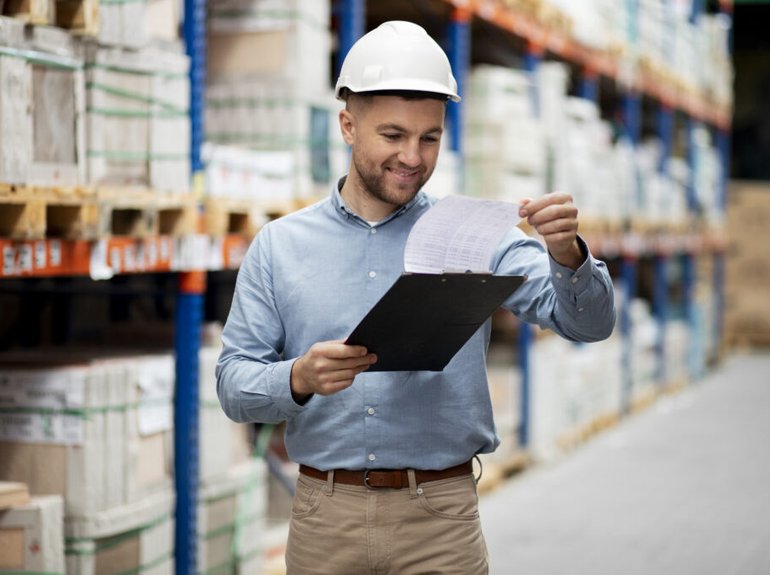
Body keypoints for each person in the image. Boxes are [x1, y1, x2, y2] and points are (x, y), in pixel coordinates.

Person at [216, 20, 616, 575]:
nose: (412, 156)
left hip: (441, 520)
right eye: (393, 135)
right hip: (324, 519)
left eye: (430, 138)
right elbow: (233, 386)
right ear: (348, 126)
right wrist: (298, 379)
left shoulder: (475, 235)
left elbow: (588, 326)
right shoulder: (281, 247)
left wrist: (568, 255)